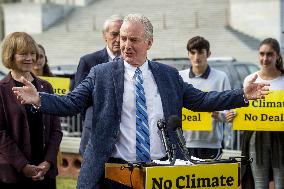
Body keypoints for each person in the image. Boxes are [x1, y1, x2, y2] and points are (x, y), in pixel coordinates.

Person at [12, 14, 269, 189]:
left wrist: (242, 95)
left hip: (160, 174)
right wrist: (40, 99)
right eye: (123, 38)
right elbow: (72, 103)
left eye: (133, 40)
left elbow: (201, 99)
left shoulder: (167, 75)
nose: (126, 45)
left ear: (149, 42)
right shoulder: (101, 74)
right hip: (115, 174)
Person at [0, 32, 62, 189]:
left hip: (44, 173)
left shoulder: (46, 86)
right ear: (10, 55)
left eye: (32, 53)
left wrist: (47, 162)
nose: (30, 58)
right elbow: (1, 134)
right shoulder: (1, 90)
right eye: (23, 53)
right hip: (13, 174)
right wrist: (23, 166)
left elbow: (56, 130)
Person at [74, 14, 123, 155]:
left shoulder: (133, 62)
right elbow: (80, 99)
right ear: (104, 35)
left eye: (122, 34)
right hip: (95, 133)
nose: (118, 39)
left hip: (125, 139)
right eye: (114, 34)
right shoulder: (88, 61)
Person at [240, 38, 284, 189]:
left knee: (281, 184)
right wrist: (233, 115)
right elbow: (243, 107)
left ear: (278, 55)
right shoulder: (250, 79)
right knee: (259, 184)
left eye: (270, 54)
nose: (265, 58)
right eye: (262, 54)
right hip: (255, 139)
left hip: (281, 139)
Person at [179, 36, 232, 160]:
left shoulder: (221, 77)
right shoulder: (180, 77)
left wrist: (219, 115)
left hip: (212, 144)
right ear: (188, 54)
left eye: (201, 52)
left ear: (208, 54)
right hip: (185, 143)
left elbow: (230, 112)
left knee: (208, 179)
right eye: (193, 53)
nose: (197, 57)